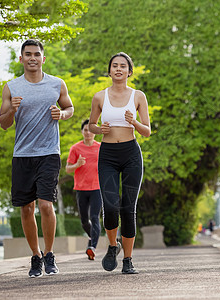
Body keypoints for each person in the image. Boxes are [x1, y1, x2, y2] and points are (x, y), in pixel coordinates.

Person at [0, 39, 74, 278]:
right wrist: (12, 109)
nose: (32, 58)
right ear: (21, 59)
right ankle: (35, 256)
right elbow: (3, 123)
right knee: (26, 208)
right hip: (22, 154)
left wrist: (61, 114)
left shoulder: (57, 84)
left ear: (43, 58)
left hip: (49, 152)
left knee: (45, 204)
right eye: (28, 54)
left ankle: (49, 254)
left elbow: (70, 108)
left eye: (36, 54)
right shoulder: (11, 87)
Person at [89, 52, 151, 274]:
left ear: (129, 71)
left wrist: (133, 121)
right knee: (111, 205)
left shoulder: (138, 96)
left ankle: (128, 260)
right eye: (114, 66)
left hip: (131, 154)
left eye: (122, 66)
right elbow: (91, 126)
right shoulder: (99, 97)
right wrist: (99, 129)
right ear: (109, 71)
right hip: (107, 155)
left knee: (128, 207)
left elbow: (147, 131)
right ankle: (112, 245)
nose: (118, 69)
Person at [66, 120, 101, 260]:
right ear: (82, 132)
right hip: (81, 188)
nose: (88, 133)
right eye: (85, 130)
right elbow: (68, 169)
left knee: (94, 217)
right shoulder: (75, 148)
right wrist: (77, 164)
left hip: (97, 188)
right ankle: (92, 239)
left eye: (90, 130)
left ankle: (92, 247)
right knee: (84, 221)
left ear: (95, 132)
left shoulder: (101, 147)